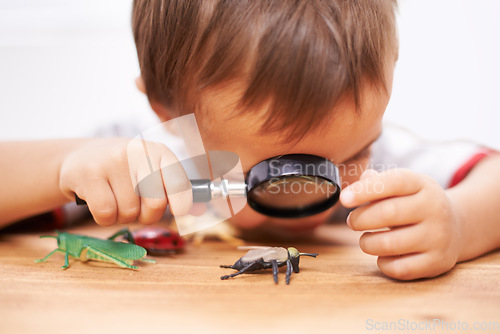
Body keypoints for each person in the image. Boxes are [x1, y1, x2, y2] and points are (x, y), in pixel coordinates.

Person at [1, 0, 499, 280]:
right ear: (170, 117)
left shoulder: (374, 173)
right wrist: (60, 168)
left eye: (355, 153)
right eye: (278, 173)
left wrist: (457, 221)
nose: (317, 191)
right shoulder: (145, 161)